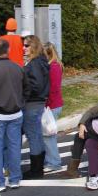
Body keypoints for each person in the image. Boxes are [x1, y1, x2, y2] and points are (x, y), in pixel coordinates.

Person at [0, 39, 30, 191]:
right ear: (8, 50)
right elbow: (27, 90)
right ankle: (15, 179)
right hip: (16, 114)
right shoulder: (18, 68)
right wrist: (20, 103)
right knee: (14, 147)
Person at [22, 35, 50, 179]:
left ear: (33, 46)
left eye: (26, 45)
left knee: (33, 136)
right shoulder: (41, 61)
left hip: (32, 103)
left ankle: (36, 170)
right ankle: (38, 168)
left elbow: (36, 85)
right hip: (37, 103)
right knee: (36, 135)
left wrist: (24, 93)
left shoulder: (35, 63)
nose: (23, 48)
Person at [42, 42, 63, 172]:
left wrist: (46, 104)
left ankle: (54, 162)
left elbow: (53, 88)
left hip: (51, 105)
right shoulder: (55, 65)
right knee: (47, 135)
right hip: (53, 104)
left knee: (49, 136)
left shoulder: (53, 67)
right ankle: (50, 160)